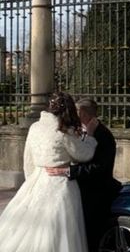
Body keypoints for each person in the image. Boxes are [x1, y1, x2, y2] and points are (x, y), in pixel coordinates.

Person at [0, 92, 98, 252]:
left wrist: (32, 181)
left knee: (31, 227)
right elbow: (84, 154)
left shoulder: (34, 127)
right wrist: (91, 136)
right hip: (60, 183)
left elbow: (28, 160)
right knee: (60, 230)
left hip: (37, 180)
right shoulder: (63, 130)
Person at [47, 98, 121, 252]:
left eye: (76, 111)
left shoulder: (103, 135)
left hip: (96, 193)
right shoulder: (79, 131)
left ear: (82, 113)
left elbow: (98, 167)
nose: (73, 114)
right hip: (81, 190)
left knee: (91, 234)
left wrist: (67, 171)